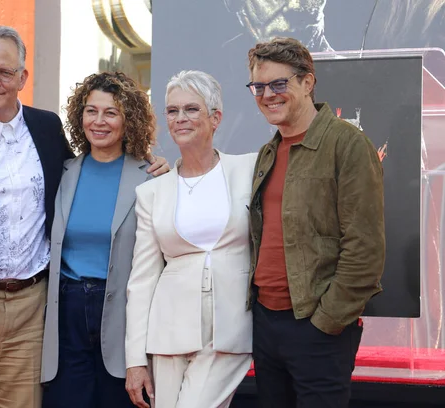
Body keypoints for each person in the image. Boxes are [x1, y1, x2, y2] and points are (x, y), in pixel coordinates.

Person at [0, 26, 168, 408]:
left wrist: (152, 164)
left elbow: (96, 170)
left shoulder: (46, 129)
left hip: (33, 310)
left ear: (23, 77)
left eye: (5, 72)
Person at [246, 37, 385, 407]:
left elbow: (365, 248)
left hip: (317, 326)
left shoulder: (348, 145)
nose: (267, 95)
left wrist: (327, 322)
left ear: (307, 83)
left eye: (279, 84)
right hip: (266, 322)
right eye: (259, 86)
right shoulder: (268, 152)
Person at [125, 70, 256, 408]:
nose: (180, 118)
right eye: (172, 110)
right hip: (168, 332)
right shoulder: (152, 192)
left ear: (216, 118)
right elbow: (142, 280)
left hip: (232, 329)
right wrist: (134, 359)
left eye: (191, 109)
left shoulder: (250, 170)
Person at [40, 72, 162, 408]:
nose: (99, 121)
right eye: (91, 111)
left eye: (111, 112)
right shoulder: (62, 173)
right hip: (68, 311)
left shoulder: (151, 176)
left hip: (123, 312)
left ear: (129, 120)